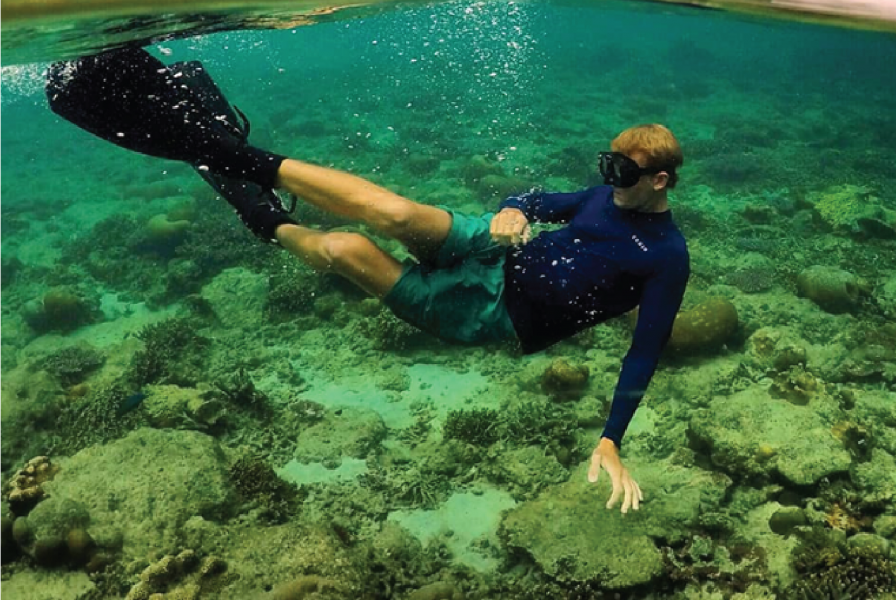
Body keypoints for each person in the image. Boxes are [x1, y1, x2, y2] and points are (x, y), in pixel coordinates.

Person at [46, 46, 690, 513]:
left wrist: (611, 439)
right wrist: (517, 206)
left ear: (659, 180)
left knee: (348, 247)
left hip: (492, 315)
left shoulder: (666, 257)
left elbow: (645, 352)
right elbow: (541, 197)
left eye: (622, 173)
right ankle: (233, 154)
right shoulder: (605, 196)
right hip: (498, 251)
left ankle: (262, 217)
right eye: (606, 165)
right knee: (393, 211)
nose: (608, 180)